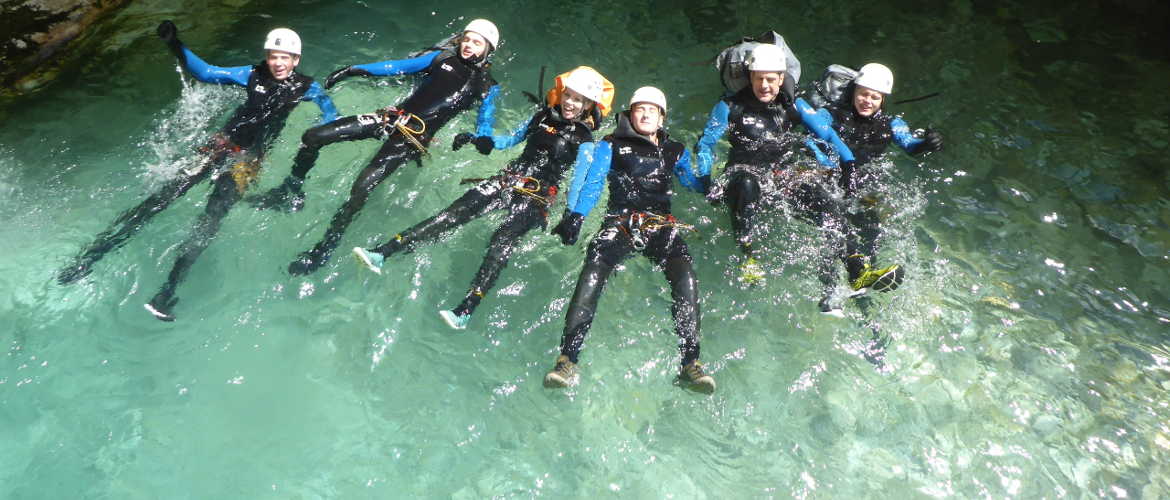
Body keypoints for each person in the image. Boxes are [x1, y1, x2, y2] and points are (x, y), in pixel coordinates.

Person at [56, 21, 338, 321]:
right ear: (267, 56)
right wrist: (174, 43)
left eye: (285, 57)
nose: (278, 63)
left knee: (211, 218)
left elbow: (331, 114)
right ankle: (91, 257)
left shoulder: (307, 88)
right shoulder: (251, 73)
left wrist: (320, 133)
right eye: (273, 55)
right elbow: (206, 73)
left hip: (248, 161)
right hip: (220, 145)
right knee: (161, 199)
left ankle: (168, 291)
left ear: (296, 60)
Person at [351, 67, 613, 330]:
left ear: (588, 105)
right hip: (508, 178)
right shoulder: (542, 116)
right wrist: (481, 140)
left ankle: (466, 309)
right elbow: (512, 139)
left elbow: (581, 180)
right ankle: (384, 252)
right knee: (451, 215)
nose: (569, 102)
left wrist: (573, 216)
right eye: (568, 95)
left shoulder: (585, 139)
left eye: (577, 100)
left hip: (538, 197)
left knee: (501, 240)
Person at [254, 19, 503, 276]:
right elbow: (397, 67)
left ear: (488, 49)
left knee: (361, 188)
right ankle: (290, 190)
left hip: (411, 140)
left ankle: (324, 248)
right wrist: (354, 69)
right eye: (466, 39)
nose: (468, 46)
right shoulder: (440, 59)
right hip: (389, 119)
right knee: (313, 136)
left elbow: (486, 119)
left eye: (476, 42)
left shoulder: (488, 86)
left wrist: (482, 137)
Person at [543, 87, 716, 393]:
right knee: (591, 276)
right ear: (630, 114)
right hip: (620, 224)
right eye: (640, 109)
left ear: (662, 117)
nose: (646, 114)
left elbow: (690, 181)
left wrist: (711, 183)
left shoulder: (674, 149)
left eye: (653, 110)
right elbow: (594, 181)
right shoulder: (612, 144)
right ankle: (567, 360)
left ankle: (691, 364)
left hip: (662, 226)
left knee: (687, 280)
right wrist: (577, 215)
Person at [695, 42, 849, 300]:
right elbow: (706, 143)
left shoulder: (794, 106)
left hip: (781, 176)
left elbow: (828, 135)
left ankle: (831, 280)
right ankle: (748, 256)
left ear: (781, 78)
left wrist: (848, 165)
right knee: (745, 183)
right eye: (758, 79)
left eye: (770, 79)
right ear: (750, 78)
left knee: (828, 207)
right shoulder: (730, 106)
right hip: (743, 176)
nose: (764, 85)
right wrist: (705, 180)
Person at [799, 62, 942, 309]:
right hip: (830, 176)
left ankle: (864, 287)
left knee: (871, 229)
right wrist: (829, 166)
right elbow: (812, 140)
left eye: (874, 97)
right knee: (835, 229)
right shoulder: (830, 114)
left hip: (863, 183)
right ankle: (828, 291)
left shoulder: (891, 124)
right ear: (854, 91)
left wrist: (925, 144)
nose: (867, 101)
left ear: (883, 99)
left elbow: (909, 144)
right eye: (863, 94)